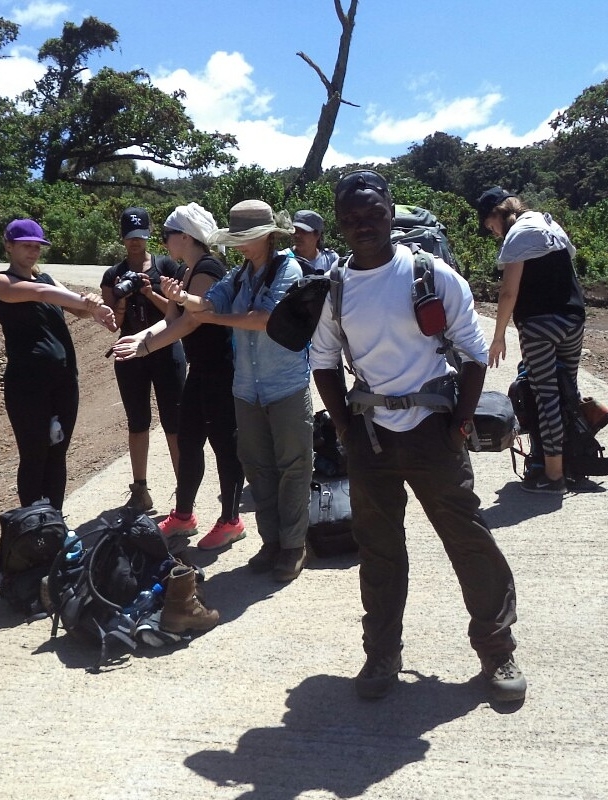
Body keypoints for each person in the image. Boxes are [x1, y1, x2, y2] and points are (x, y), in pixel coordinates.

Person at [309, 170, 526, 703]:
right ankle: (382, 653)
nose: (364, 226)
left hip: (435, 435)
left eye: (374, 215)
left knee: (469, 541)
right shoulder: (337, 288)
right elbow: (323, 360)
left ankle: (497, 650)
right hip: (371, 439)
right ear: (340, 223)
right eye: (353, 219)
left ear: (390, 212)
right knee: (379, 552)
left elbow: (474, 352)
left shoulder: (430, 275)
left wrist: (460, 424)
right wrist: (343, 425)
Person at [162, 200, 312, 581]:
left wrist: (213, 317)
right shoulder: (240, 274)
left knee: (293, 466)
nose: (241, 247)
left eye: (246, 239)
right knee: (258, 466)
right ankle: (272, 542)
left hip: (285, 383)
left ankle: (293, 545)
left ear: (267, 236)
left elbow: (265, 319)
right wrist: (183, 300)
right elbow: (208, 302)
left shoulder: (288, 269)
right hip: (247, 387)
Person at [111, 203, 245, 550]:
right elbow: (170, 318)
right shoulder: (188, 270)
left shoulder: (208, 268)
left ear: (184, 236)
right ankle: (184, 516)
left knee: (224, 446)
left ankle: (231, 520)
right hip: (200, 370)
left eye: (168, 234)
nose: (164, 240)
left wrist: (146, 349)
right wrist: (138, 337)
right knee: (188, 442)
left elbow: (190, 321)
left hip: (219, 371)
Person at [0, 218, 116, 511]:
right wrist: (89, 303)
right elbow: (41, 294)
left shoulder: (46, 278)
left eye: (37, 247)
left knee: (58, 454)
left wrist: (93, 306)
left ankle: (54, 519)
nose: (33, 252)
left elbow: (75, 307)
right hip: (27, 385)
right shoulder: (0, 281)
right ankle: (34, 526)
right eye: (26, 246)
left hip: (64, 380)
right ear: (8, 246)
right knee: (34, 455)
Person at [477, 186, 585, 494]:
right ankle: (572, 461)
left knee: (545, 397)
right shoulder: (549, 223)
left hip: (539, 324)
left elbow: (509, 292)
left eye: (490, 226)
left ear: (496, 215)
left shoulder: (518, 234)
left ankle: (553, 478)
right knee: (568, 390)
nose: (494, 232)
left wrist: (498, 337)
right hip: (574, 320)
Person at [101, 207, 187, 512]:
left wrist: (150, 292)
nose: (135, 242)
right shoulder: (113, 275)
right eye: (130, 236)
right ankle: (139, 490)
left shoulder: (166, 266)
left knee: (174, 424)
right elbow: (111, 323)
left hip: (166, 351)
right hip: (130, 354)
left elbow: (178, 313)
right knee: (137, 423)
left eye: (140, 235)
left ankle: (183, 493)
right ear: (123, 238)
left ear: (148, 235)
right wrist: (121, 299)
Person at [288, 209, 339, 274]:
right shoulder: (283, 258)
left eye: (304, 231)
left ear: (317, 235)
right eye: (295, 230)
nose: (297, 235)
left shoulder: (331, 260)